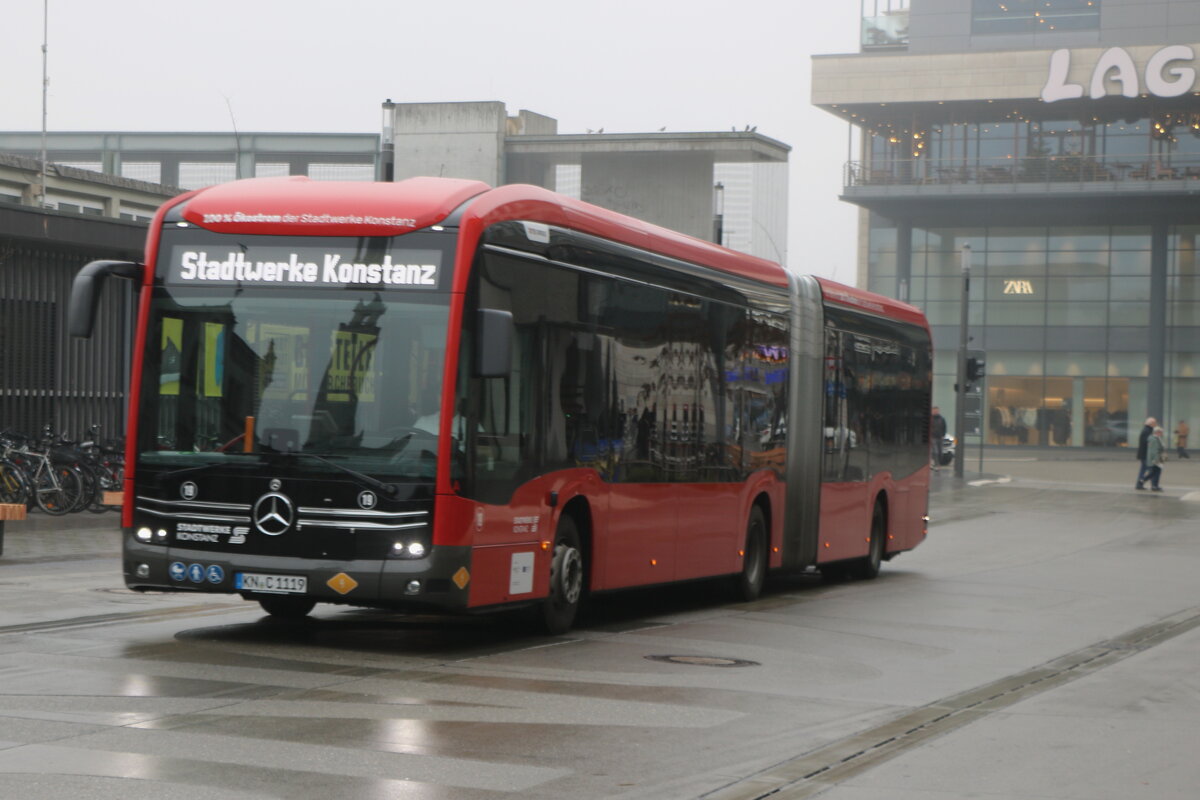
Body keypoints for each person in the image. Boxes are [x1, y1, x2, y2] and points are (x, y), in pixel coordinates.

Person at [1135, 416, 1156, 490]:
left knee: (1144, 470)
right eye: (1154, 423)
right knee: (1152, 470)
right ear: (1151, 423)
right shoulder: (1147, 431)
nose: (1155, 424)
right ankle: (1153, 485)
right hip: (1146, 455)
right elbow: (1148, 443)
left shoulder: (1146, 430)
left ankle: (1139, 484)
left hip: (1144, 454)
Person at [1144, 426, 1166, 492]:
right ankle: (1152, 485)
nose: (1162, 433)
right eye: (1161, 432)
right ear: (1157, 432)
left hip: (1159, 458)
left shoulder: (1158, 438)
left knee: (1157, 472)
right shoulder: (1154, 439)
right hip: (1156, 459)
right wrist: (1155, 460)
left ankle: (1155, 485)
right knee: (1155, 472)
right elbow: (1154, 451)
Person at [930, 406, 947, 471]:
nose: (935, 412)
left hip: (940, 437)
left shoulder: (942, 419)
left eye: (936, 411)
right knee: (935, 451)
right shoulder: (930, 419)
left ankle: (936, 463)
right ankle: (936, 465)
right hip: (933, 437)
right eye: (934, 411)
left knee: (940, 452)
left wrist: (943, 435)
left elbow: (944, 427)